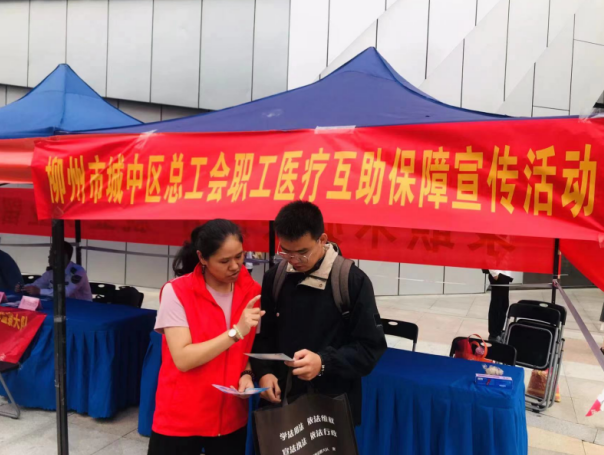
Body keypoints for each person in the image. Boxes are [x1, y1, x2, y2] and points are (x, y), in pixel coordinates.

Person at [251, 201, 387, 426]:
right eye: (286, 251)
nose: (294, 260)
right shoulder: (275, 278)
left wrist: (323, 362)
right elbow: (264, 336)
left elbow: (370, 348)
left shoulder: (351, 281)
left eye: (302, 252)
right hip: (281, 403)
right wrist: (264, 373)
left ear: (322, 240)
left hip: (330, 406)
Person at [149, 220, 263, 455]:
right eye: (224, 261)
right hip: (181, 418)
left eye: (239, 256)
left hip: (230, 417)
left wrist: (247, 374)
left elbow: (247, 350)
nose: (235, 266)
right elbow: (183, 358)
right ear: (202, 258)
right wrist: (235, 333)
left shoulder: (252, 292)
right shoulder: (177, 291)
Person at [15, 242, 92, 301]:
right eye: (50, 253)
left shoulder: (78, 272)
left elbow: (66, 292)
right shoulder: (51, 271)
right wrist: (23, 288)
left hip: (82, 308)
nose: (49, 256)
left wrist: (39, 291)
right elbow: (38, 284)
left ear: (64, 257)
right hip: (61, 306)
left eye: (53, 253)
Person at [486, 269, 514, 341]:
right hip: (498, 276)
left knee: (503, 306)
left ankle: (498, 331)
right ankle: (493, 334)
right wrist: (495, 274)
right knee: (497, 306)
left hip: (504, 276)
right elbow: (490, 261)